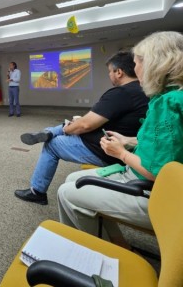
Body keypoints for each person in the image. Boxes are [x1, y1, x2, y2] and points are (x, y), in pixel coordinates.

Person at [57, 31, 183, 238]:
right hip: (145, 180)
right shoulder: (169, 98)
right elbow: (164, 146)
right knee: (72, 177)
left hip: (153, 193)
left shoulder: (168, 106)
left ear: (154, 64)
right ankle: (115, 244)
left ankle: (94, 252)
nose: (134, 69)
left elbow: (160, 172)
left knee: (67, 193)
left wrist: (121, 153)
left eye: (136, 63)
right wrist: (128, 141)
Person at [15, 51, 149, 205]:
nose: (109, 75)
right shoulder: (145, 91)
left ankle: (37, 191)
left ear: (119, 72)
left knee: (53, 144)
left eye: (110, 72)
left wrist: (70, 128)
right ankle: (51, 131)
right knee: (74, 123)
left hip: (105, 150)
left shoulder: (121, 93)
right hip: (121, 145)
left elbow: (87, 125)